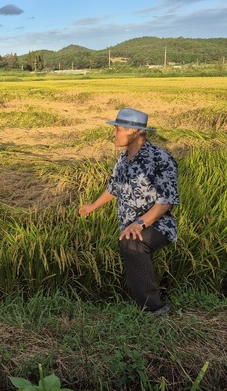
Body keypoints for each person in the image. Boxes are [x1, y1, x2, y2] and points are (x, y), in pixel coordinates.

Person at [79, 108, 179, 316]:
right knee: (131, 243)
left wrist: (139, 224)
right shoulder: (123, 160)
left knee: (133, 242)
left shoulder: (161, 159)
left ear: (133, 131)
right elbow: (113, 188)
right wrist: (92, 206)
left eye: (117, 130)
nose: (113, 134)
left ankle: (154, 308)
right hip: (130, 225)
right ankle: (145, 297)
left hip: (158, 225)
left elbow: (166, 202)